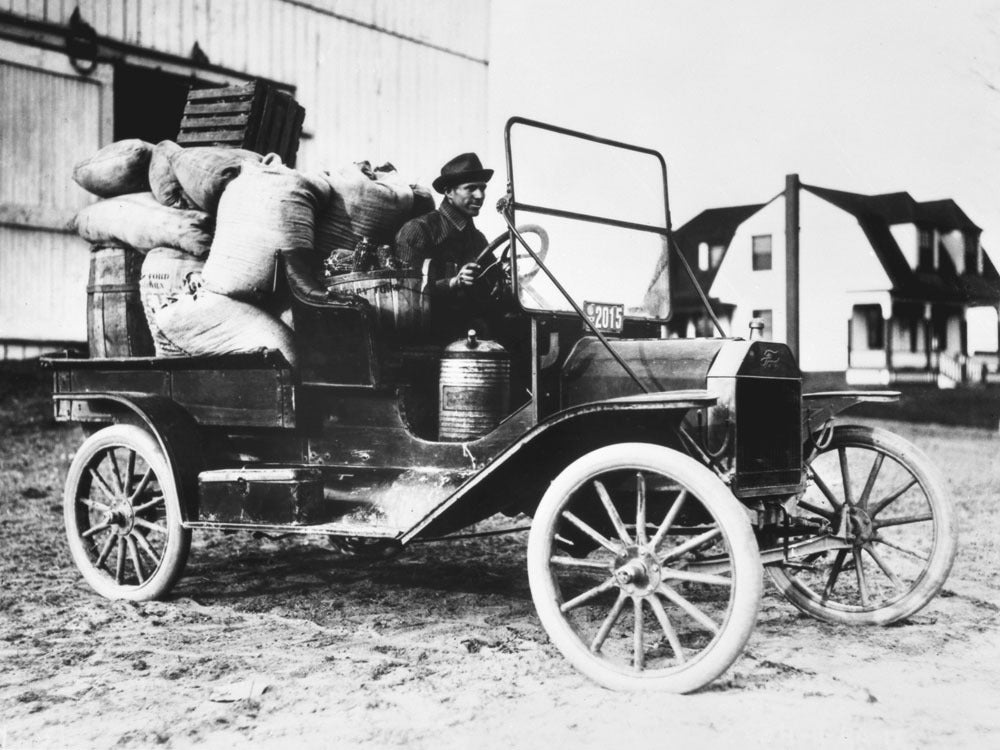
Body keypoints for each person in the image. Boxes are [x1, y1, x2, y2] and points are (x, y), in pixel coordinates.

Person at [394, 152, 496, 339]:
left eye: (483, 188)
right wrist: (453, 282)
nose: (480, 195)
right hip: (429, 336)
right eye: (471, 188)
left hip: (471, 333)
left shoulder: (478, 240)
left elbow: (492, 287)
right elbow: (407, 293)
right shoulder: (418, 230)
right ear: (449, 192)